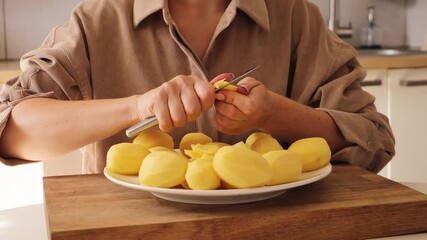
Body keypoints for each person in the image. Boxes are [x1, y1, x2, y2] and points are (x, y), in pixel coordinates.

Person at [0, 0, 394, 173]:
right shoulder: (97, 19)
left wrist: (274, 114)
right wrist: (138, 106)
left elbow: (374, 142)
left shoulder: (296, 17)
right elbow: (11, 133)